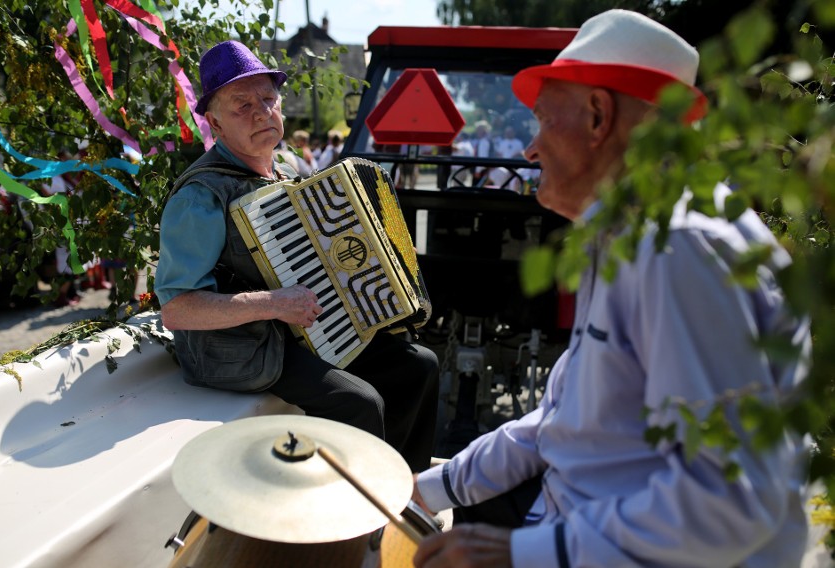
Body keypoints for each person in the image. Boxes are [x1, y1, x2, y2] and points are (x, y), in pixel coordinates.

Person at [412, 9, 810, 568]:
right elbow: (561, 421)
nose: (529, 149)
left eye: (546, 121)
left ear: (599, 116)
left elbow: (729, 502)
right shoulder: (631, 232)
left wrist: (525, 553)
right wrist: (426, 490)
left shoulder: (678, 248)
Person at [154, 40, 439, 473]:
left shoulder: (283, 172)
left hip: (292, 331)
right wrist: (274, 303)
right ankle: (352, 528)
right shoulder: (201, 195)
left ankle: (402, 494)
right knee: (357, 402)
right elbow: (176, 310)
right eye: (242, 105)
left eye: (268, 99)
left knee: (418, 366)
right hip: (237, 348)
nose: (261, 112)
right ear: (214, 123)